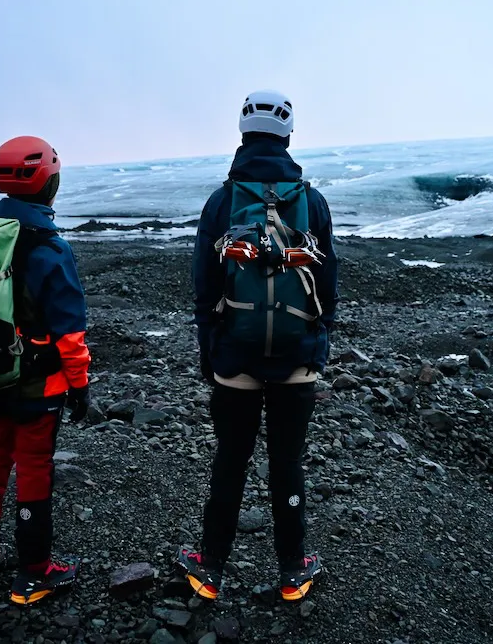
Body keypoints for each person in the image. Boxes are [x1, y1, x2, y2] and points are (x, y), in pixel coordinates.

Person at [177, 91, 338, 602]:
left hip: (235, 357)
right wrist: (319, 340)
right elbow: (329, 281)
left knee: (231, 460)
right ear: (289, 135)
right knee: (287, 463)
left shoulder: (222, 201)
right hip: (297, 357)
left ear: (243, 133)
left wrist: (211, 348)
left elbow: (204, 284)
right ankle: (293, 571)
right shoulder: (311, 200)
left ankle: (210, 569)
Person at [0, 135, 92, 605]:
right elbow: (70, 333)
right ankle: (34, 574)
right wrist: (80, 387)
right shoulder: (49, 246)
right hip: (38, 384)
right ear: (50, 182)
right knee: (33, 468)